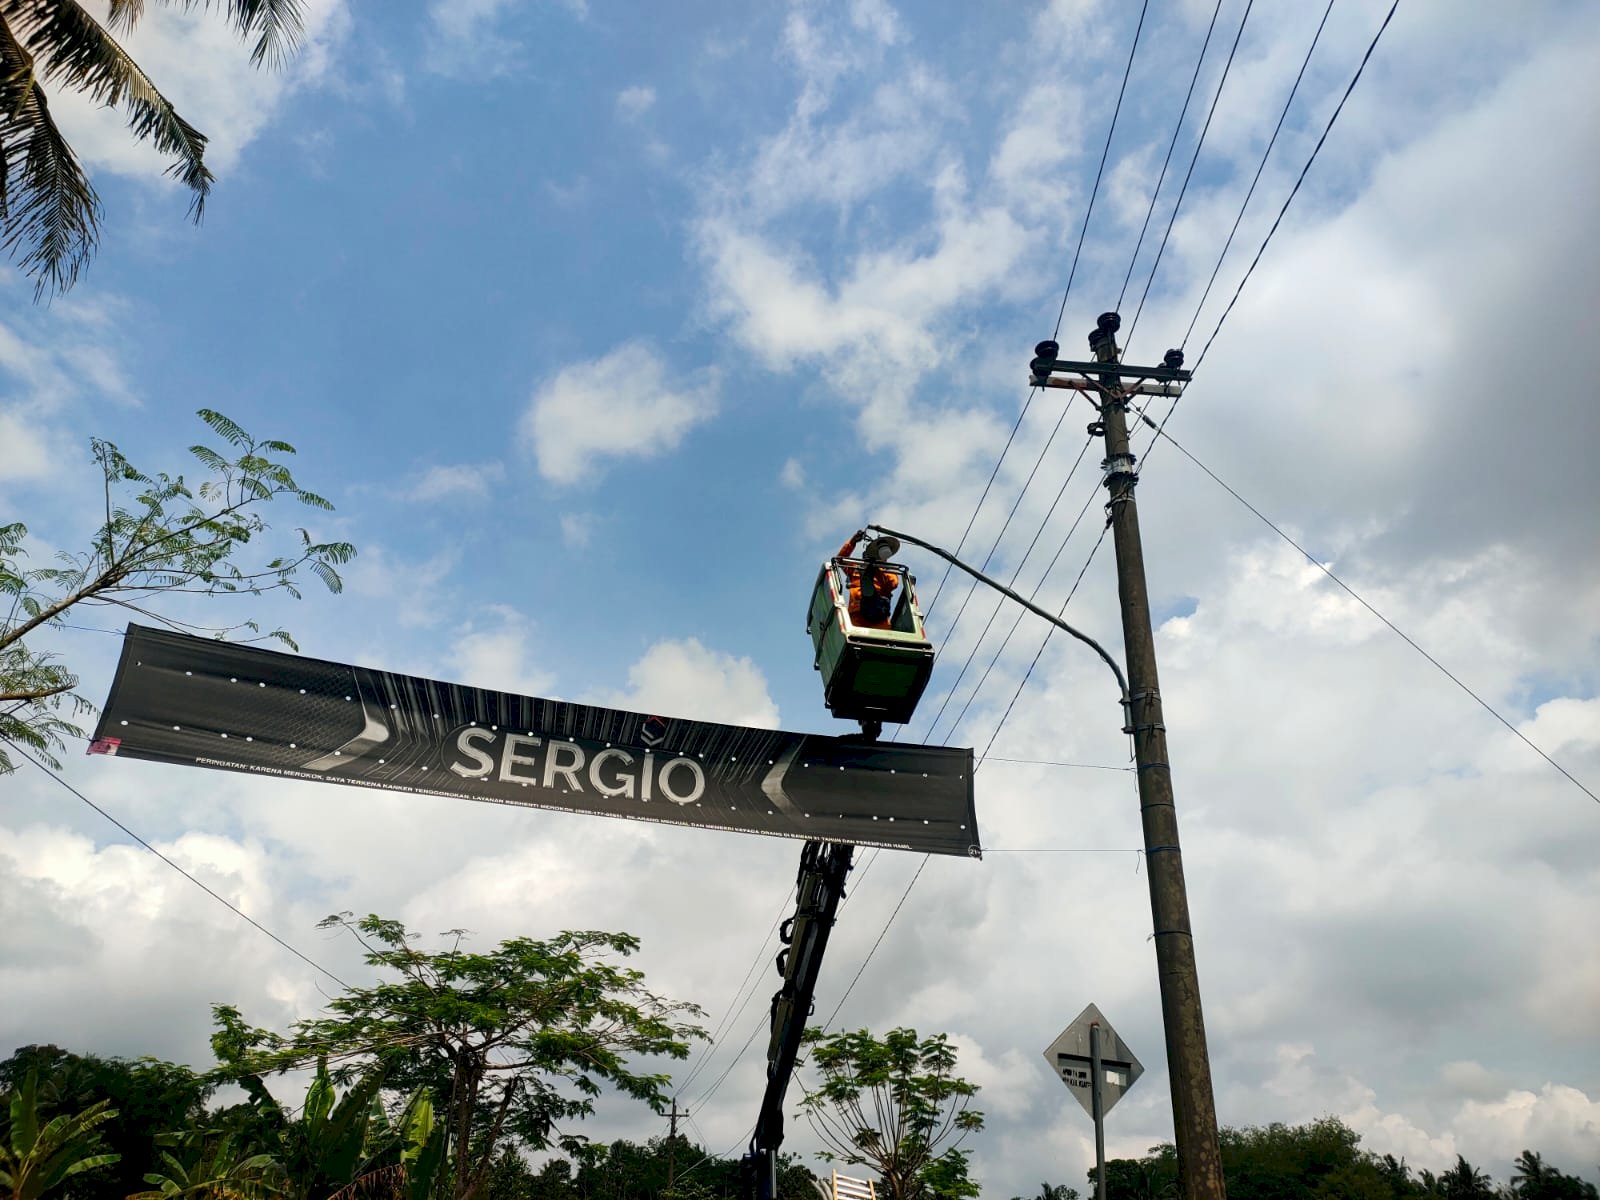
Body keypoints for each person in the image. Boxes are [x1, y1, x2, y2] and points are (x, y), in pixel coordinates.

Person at [836, 530, 898, 629]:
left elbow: (893, 584)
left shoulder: (887, 571)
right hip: (857, 614)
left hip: (879, 614)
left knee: (884, 642)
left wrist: (877, 567)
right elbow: (840, 560)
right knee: (856, 640)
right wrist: (852, 542)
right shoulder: (856, 568)